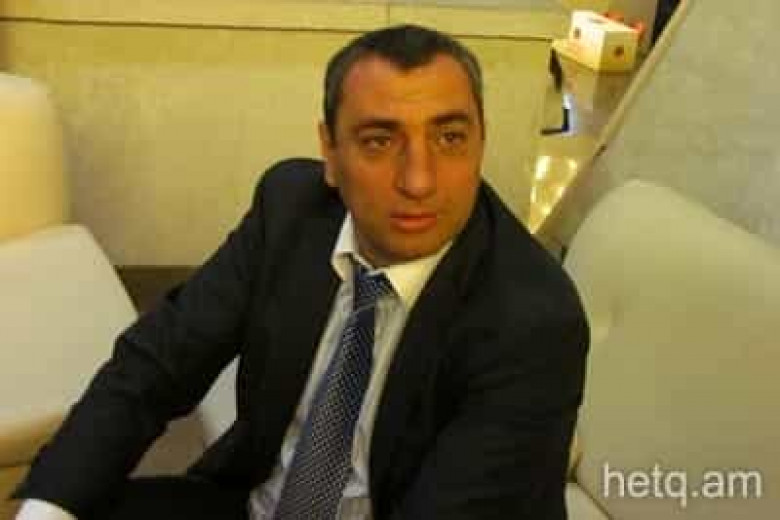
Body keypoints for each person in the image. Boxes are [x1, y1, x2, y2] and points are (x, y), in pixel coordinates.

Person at [12, 24, 588, 520]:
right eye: (379, 141)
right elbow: (155, 366)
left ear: (481, 140)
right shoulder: (291, 208)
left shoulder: (533, 321)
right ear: (330, 154)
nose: (419, 180)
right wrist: (48, 509)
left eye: (450, 137)